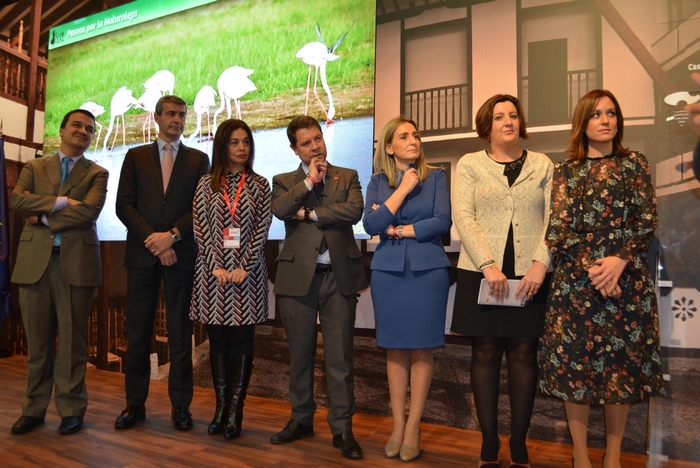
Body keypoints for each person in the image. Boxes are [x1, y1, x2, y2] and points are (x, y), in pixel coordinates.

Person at [539, 89, 665, 468]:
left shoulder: (635, 164)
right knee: (574, 369)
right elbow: (558, 230)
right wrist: (597, 268)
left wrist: (619, 262)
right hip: (578, 285)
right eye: (596, 114)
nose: (606, 120)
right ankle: (580, 456)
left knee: (620, 372)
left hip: (626, 283)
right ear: (583, 122)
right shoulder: (565, 171)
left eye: (611, 113)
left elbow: (646, 220)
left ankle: (612, 456)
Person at [450, 94, 553, 467]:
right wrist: (489, 265)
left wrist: (541, 264)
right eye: (499, 116)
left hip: (530, 274)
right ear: (487, 125)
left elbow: (552, 219)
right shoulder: (470, 164)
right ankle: (489, 443)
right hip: (482, 272)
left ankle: (520, 443)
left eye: (513, 115)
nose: (508, 121)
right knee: (485, 351)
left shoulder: (542, 164)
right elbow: (464, 214)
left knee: (525, 353)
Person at [269, 116, 368, 459]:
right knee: (299, 356)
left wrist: (311, 214)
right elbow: (281, 209)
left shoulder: (348, 176)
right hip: (298, 280)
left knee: (340, 359)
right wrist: (310, 181)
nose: (315, 147)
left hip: (338, 278)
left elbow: (354, 211)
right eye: (307, 143)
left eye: (318, 139)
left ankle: (342, 430)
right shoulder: (283, 181)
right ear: (295, 148)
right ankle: (301, 420)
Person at [10, 109, 108, 435]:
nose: (83, 131)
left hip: (75, 266)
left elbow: (90, 213)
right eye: (77, 126)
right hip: (34, 264)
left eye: (89, 129)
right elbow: (16, 202)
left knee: (71, 346)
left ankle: (71, 410)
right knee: (37, 346)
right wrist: (65, 202)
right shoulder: (34, 167)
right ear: (63, 129)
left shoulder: (97, 173)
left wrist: (41, 215)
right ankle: (33, 409)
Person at [115, 95, 210, 431]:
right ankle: (134, 404)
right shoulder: (135, 156)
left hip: (181, 254)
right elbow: (123, 206)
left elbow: (201, 208)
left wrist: (171, 236)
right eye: (170, 114)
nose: (177, 120)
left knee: (181, 333)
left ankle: (181, 407)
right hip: (143, 256)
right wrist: (155, 242)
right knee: (138, 332)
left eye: (182, 115)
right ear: (156, 117)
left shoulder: (199, 159)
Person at [363, 116, 452, 462]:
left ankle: (413, 426)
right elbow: (370, 224)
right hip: (388, 273)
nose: (413, 140)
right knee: (395, 350)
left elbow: (441, 222)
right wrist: (400, 190)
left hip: (428, 272)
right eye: (404, 136)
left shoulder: (437, 177)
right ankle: (397, 426)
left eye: (416, 135)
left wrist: (397, 229)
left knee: (422, 351)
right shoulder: (377, 182)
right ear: (389, 146)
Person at [190, 119, 272, 440]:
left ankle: (236, 409)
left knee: (242, 342)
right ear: (222, 146)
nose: (241, 148)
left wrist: (243, 266)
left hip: (247, 277)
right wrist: (216, 266)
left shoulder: (260, 185)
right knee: (218, 343)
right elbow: (200, 229)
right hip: (212, 277)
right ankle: (220, 407)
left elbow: (261, 230)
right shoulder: (204, 184)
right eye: (235, 142)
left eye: (246, 142)